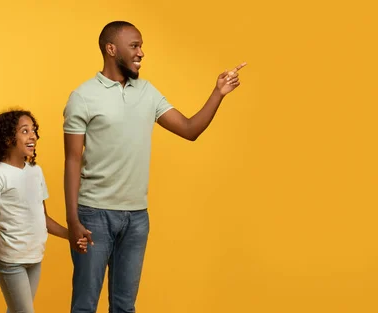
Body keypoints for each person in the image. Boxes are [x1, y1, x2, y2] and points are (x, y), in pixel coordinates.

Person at [63, 21, 246, 313]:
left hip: (137, 218)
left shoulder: (147, 92)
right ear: (111, 49)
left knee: (125, 306)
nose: (141, 53)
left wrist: (218, 93)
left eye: (141, 46)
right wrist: (73, 221)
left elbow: (189, 129)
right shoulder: (83, 97)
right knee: (85, 306)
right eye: (134, 46)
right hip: (94, 215)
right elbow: (72, 160)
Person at [0, 110, 88, 313]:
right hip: (10, 261)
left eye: (34, 130)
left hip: (34, 258)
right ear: (8, 139)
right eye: (25, 131)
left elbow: (43, 218)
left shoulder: (35, 171)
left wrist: (71, 236)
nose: (32, 136)